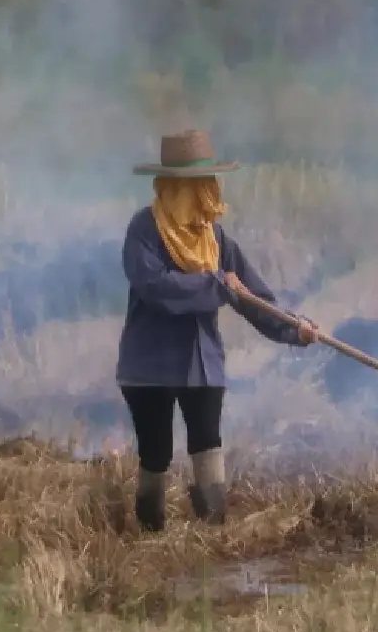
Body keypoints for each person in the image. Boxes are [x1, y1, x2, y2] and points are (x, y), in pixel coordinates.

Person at [116, 129, 318, 533]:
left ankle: (216, 533)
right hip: (149, 365)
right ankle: (148, 534)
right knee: (156, 453)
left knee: (207, 442)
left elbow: (251, 295)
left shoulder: (215, 236)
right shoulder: (144, 230)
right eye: (194, 185)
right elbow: (156, 288)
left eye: (208, 183)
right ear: (172, 186)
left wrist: (294, 328)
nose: (205, 192)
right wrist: (216, 286)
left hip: (200, 362)